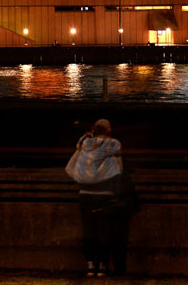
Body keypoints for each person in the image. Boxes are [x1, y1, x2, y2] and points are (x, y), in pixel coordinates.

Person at [70, 119, 123, 278]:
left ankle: (90, 264)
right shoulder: (113, 144)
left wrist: (86, 137)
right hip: (104, 193)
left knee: (88, 231)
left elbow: (78, 149)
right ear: (108, 130)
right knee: (104, 231)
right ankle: (102, 265)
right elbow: (119, 167)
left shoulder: (85, 143)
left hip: (85, 193)